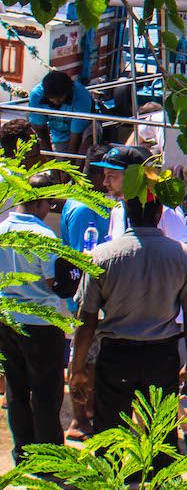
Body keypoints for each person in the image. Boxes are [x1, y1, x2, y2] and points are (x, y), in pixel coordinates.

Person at [68, 191, 187, 436]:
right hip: (161, 355)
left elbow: (86, 319)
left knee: (111, 437)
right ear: (159, 214)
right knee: (160, 439)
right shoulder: (184, 256)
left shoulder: (102, 256)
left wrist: (77, 368)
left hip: (115, 355)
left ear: (127, 216)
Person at [0, 173, 69, 460]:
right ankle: (50, 459)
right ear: (41, 202)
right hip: (41, 324)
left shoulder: (2, 230)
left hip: (7, 322)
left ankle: (24, 453)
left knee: (15, 389)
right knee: (45, 393)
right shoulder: (44, 236)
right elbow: (56, 282)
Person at [97, 145, 187, 244]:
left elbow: (181, 255)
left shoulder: (166, 211)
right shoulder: (117, 210)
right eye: (105, 176)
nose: (105, 182)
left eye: (111, 176)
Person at [28, 70, 93, 158]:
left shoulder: (81, 96)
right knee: (58, 162)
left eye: (60, 99)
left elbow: (76, 135)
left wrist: (68, 164)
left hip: (82, 129)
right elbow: (40, 129)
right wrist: (51, 163)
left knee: (79, 156)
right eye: (52, 99)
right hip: (59, 132)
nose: (56, 102)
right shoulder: (36, 95)